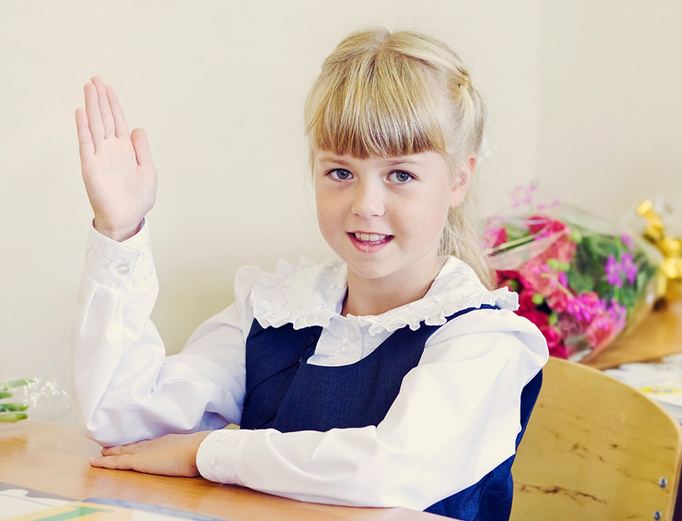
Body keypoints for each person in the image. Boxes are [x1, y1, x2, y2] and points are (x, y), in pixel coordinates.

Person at [72, 28, 548, 521]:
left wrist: (206, 453)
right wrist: (119, 229)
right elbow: (123, 420)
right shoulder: (279, 309)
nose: (366, 205)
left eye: (401, 175)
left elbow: (386, 472)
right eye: (340, 172)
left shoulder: (484, 338)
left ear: (459, 179)